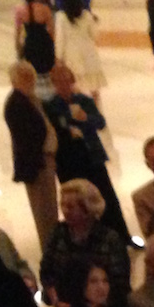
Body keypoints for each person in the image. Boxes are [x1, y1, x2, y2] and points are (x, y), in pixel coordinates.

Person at [44, 64, 130, 243]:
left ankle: (120, 236)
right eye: (59, 82)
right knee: (77, 202)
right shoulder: (50, 107)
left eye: (67, 81)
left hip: (92, 157)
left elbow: (100, 123)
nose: (64, 85)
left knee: (107, 197)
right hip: (69, 162)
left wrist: (86, 119)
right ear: (54, 84)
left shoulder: (84, 101)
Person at [40, 178, 131, 307]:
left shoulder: (110, 238)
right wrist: (56, 301)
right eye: (62, 205)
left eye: (70, 207)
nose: (65, 211)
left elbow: (120, 283)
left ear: (88, 208)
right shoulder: (58, 233)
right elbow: (47, 272)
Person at [3, 61, 57, 253]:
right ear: (16, 80)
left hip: (44, 161)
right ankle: (50, 248)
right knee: (43, 211)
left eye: (31, 76)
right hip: (37, 164)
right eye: (26, 77)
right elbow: (28, 138)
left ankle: (54, 244)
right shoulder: (16, 104)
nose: (31, 80)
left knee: (50, 208)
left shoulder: (30, 98)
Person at [54, 0, 102, 103]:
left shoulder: (61, 17)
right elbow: (95, 36)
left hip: (72, 56)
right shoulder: (87, 15)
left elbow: (60, 39)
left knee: (75, 88)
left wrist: (58, 58)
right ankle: (96, 113)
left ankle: (77, 114)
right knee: (94, 90)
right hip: (90, 55)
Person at [21, 0, 56, 80]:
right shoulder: (44, 9)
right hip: (44, 42)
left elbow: (20, 32)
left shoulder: (21, 10)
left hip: (30, 42)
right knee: (46, 71)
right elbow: (51, 29)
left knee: (33, 71)